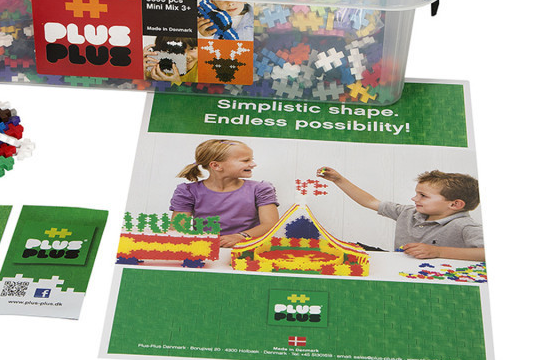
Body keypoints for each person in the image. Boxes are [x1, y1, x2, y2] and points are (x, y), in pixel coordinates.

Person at [317, 167, 484, 261]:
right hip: (398, 264)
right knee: (345, 250)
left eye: (423, 196)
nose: (414, 198)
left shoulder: (465, 226)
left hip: (432, 275)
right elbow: (370, 202)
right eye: (417, 193)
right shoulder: (409, 212)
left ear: (455, 204)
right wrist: (339, 180)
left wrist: (438, 252)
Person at [170, 139, 279, 247]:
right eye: (245, 160)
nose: (253, 164)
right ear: (216, 166)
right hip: (206, 249)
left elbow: (270, 224)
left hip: (246, 249)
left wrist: (241, 236)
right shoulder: (188, 191)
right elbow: (178, 229)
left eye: (252, 159)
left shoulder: (260, 189)